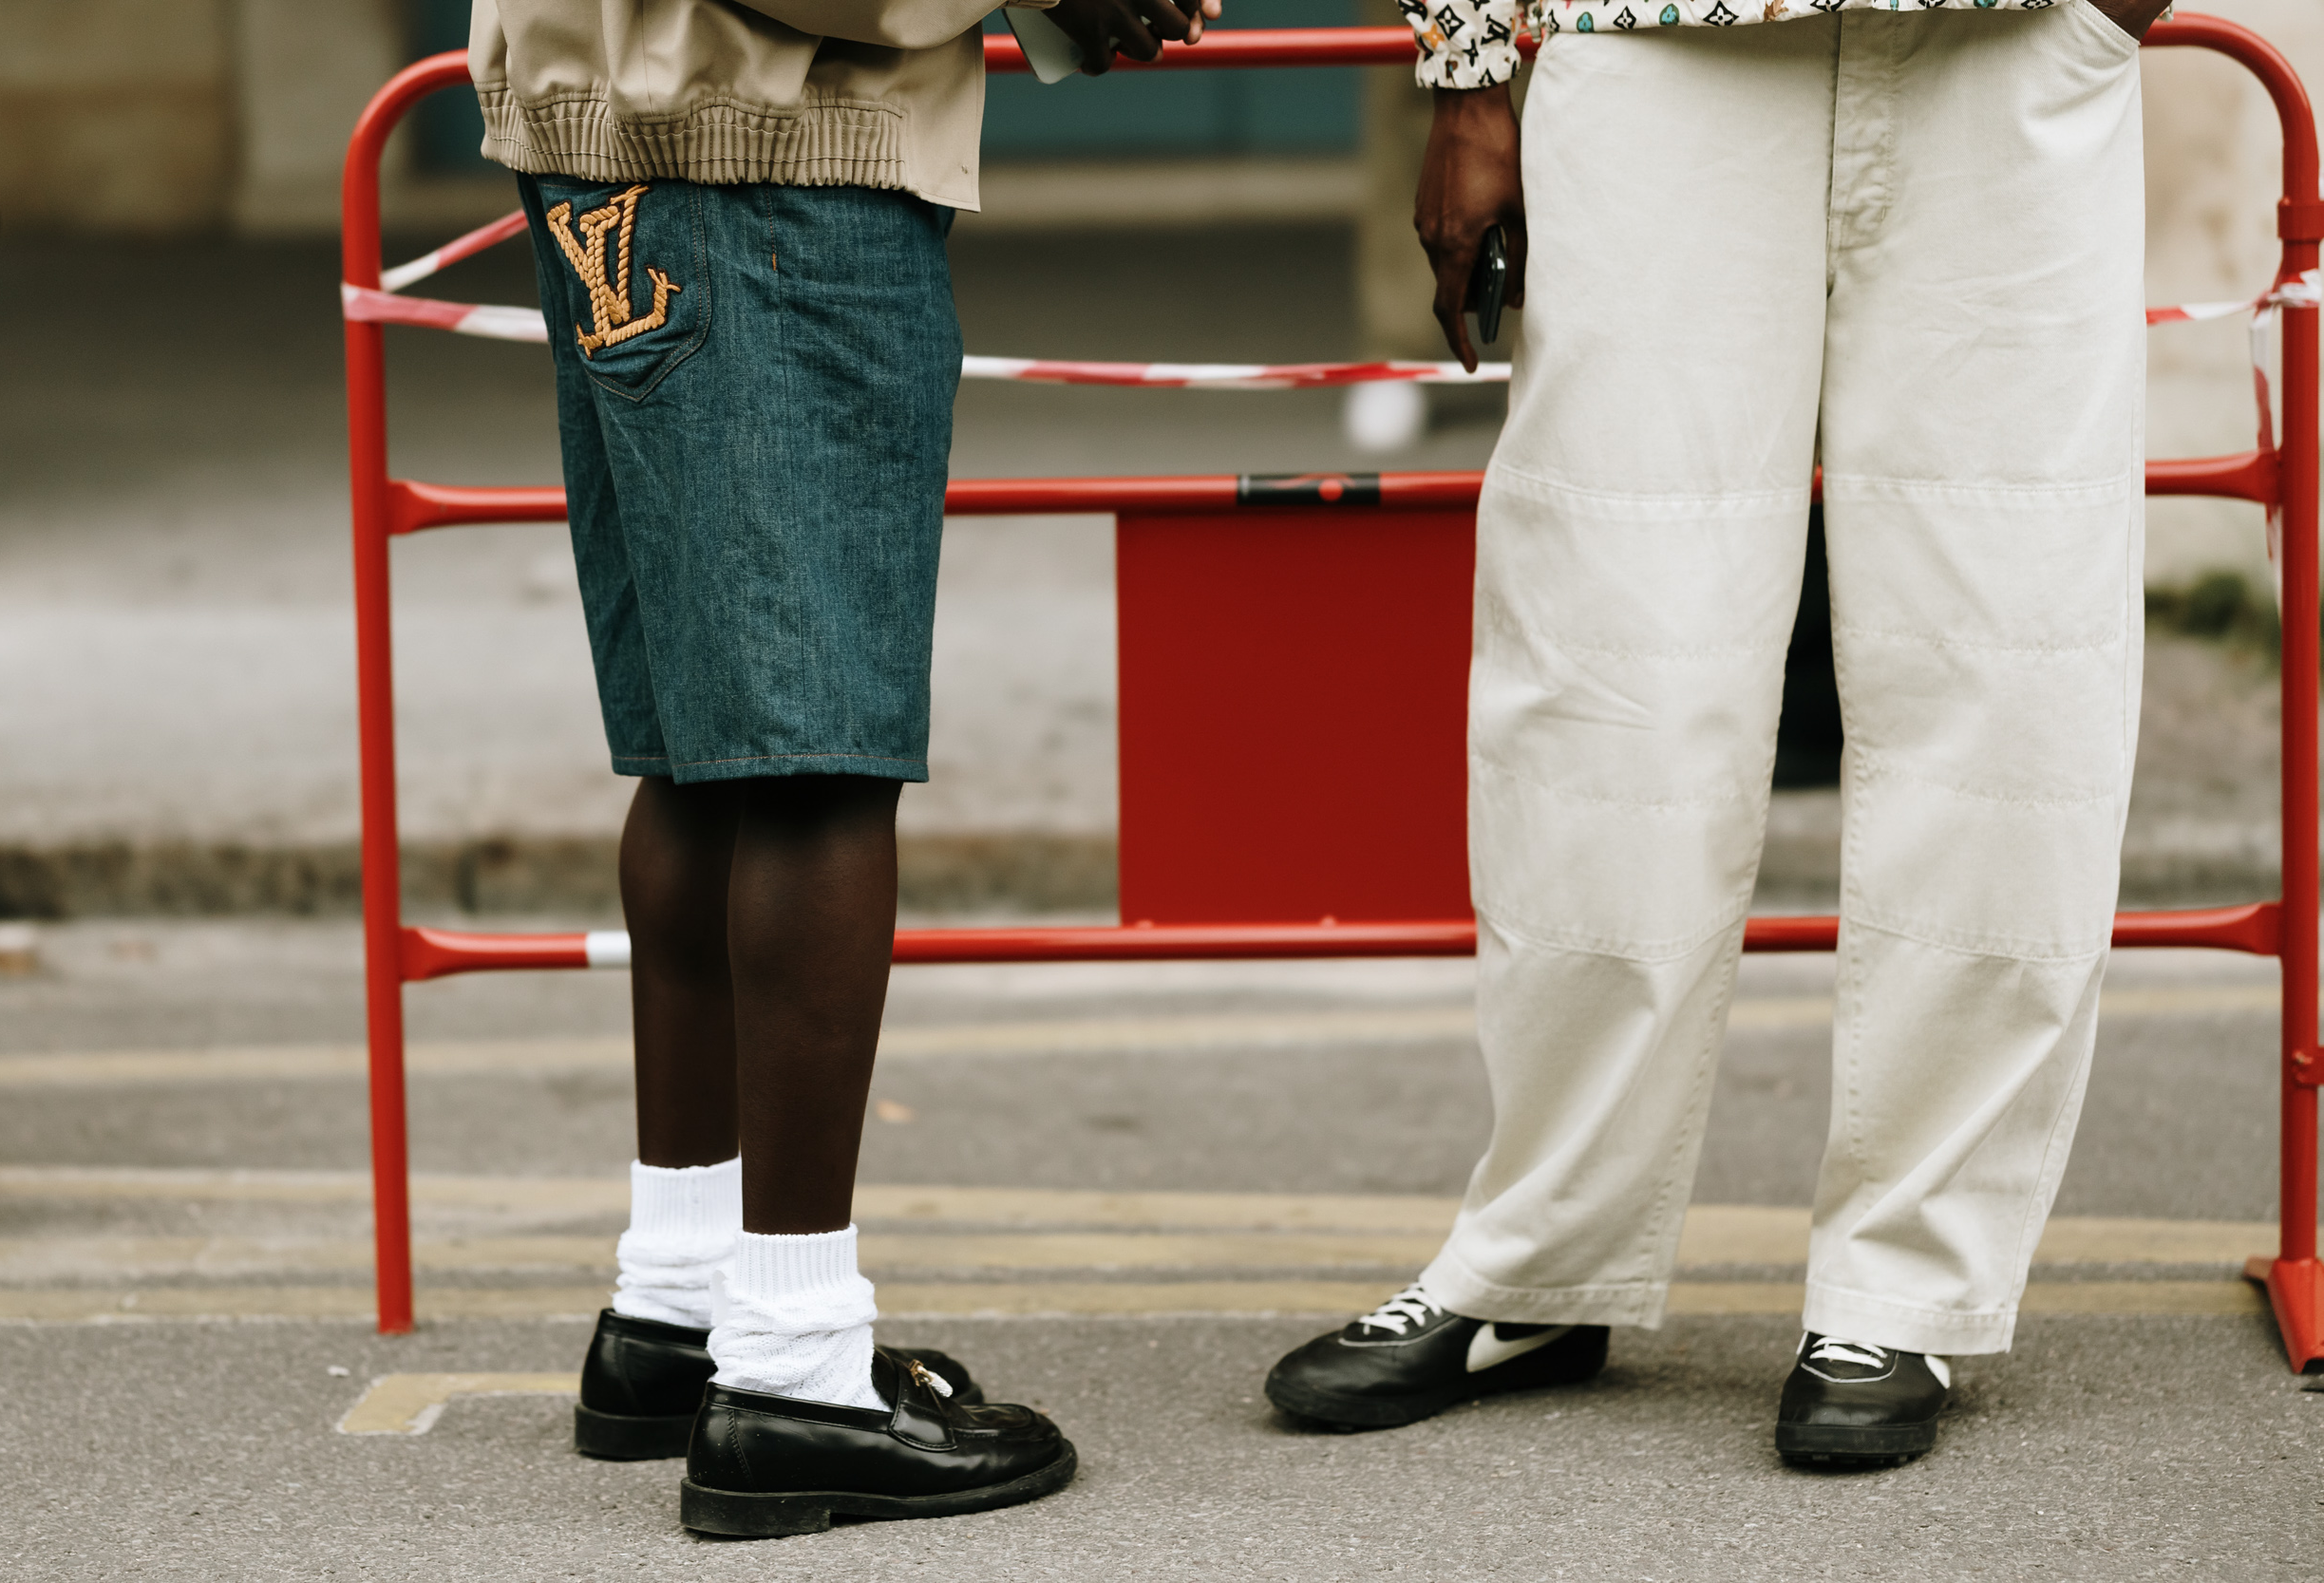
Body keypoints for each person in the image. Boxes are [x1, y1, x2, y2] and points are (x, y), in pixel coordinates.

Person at [1265, 0, 2167, 1466]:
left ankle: (1908, 1287)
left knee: (2005, 648)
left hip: (2011, 37)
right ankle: (1538, 1259)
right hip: (1649, 37)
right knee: (1605, 653)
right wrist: (1468, 71)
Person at [467, 0, 1215, 1536]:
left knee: (700, 754)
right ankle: (795, 1375)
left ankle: (676, 1308)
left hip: (604, 146)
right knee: (812, 757)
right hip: (773, 158)